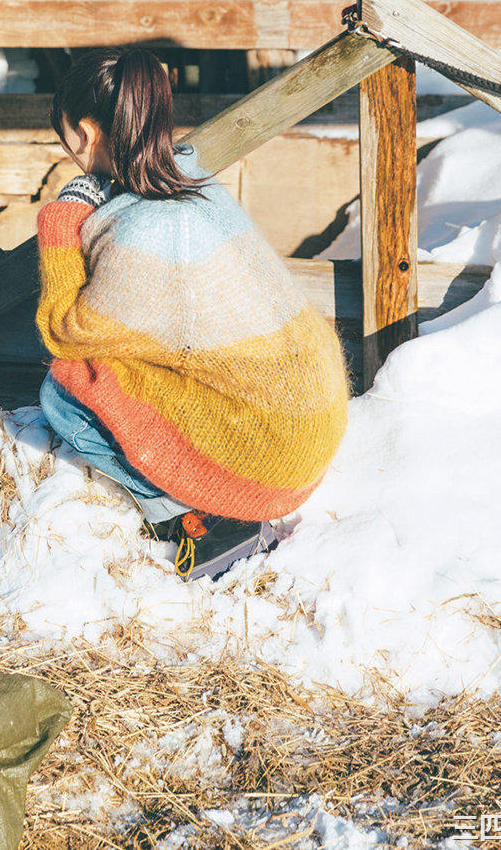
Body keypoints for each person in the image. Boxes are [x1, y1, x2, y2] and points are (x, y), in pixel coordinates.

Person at [35, 47, 350, 580]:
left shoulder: (150, 230)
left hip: (275, 460)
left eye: (66, 138)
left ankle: (200, 519)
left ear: (86, 135)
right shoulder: (191, 180)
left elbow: (66, 336)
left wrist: (63, 220)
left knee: (65, 392)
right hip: (308, 421)